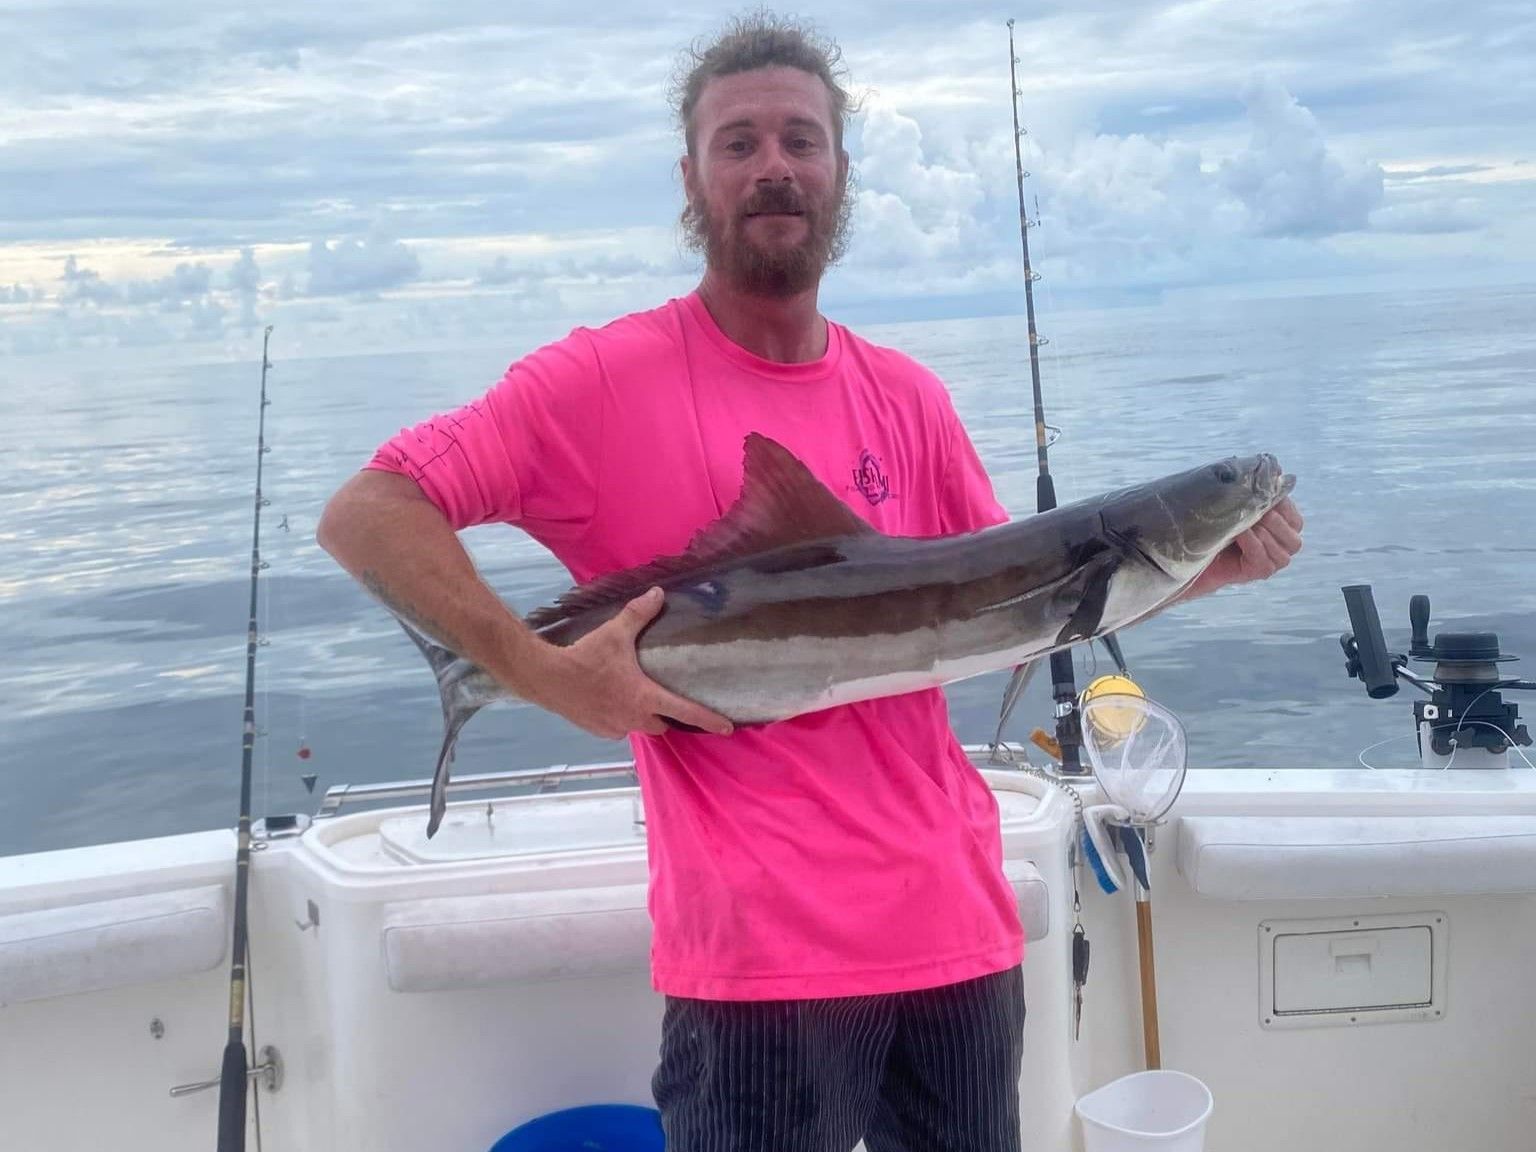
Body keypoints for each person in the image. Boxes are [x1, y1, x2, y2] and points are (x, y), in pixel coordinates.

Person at [316, 12, 1304, 1151]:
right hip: (761, 967)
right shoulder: (597, 382)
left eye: (801, 139)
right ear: (691, 178)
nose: (773, 166)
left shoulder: (910, 397)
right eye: (738, 143)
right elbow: (368, 512)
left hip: (958, 934)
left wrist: (1205, 569)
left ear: (840, 171)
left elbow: (1018, 610)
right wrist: (544, 675)